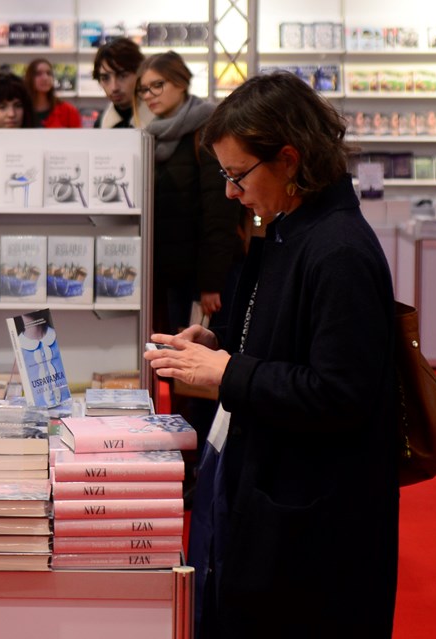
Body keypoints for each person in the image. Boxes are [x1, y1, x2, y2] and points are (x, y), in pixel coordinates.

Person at [144, 72, 399, 637]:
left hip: (315, 530)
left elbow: (340, 394)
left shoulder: (338, 250)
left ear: (288, 160)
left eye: (238, 175)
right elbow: (288, 343)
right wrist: (221, 346)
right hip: (280, 500)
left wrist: (228, 371)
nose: (231, 193)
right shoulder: (293, 229)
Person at [138, 51, 246, 453]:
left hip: (204, 278)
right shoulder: (153, 134)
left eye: (158, 85)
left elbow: (219, 212)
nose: (150, 95)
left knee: (203, 370)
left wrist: (210, 283)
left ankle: (208, 455)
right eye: (144, 89)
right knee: (179, 369)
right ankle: (187, 451)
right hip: (172, 274)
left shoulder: (205, 129)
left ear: (181, 82)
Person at [91, 37, 152, 129]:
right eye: (105, 78)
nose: (114, 87)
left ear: (140, 74)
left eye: (122, 76)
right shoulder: (101, 124)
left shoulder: (161, 118)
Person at [23, 58, 81, 128]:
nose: (45, 78)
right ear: (29, 78)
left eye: (49, 73)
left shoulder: (68, 111)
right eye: (38, 74)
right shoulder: (21, 111)